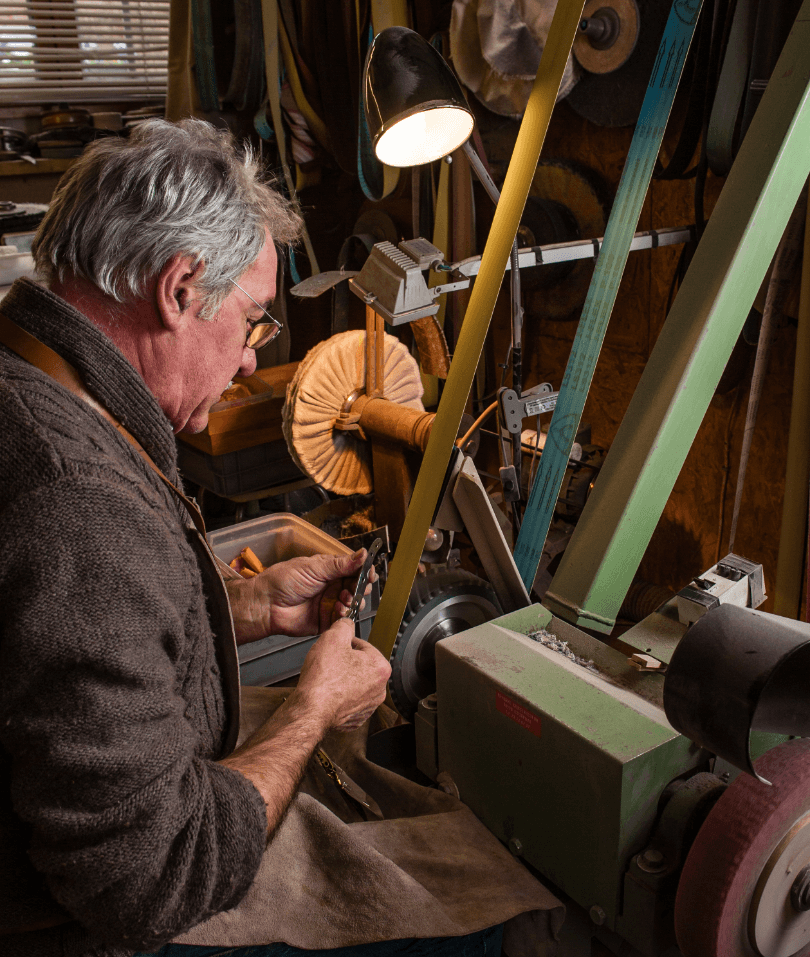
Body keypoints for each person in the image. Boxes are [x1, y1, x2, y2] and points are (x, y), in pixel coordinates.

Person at [0, 119, 509, 957]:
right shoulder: (77, 497)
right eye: (254, 321)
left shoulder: (33, 383)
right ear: (179, 287)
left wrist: (234, 605)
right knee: (492, 923)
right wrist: (311, 711)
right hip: (93, 922)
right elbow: (150, 880)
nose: (247, 361)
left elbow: (55, 639)